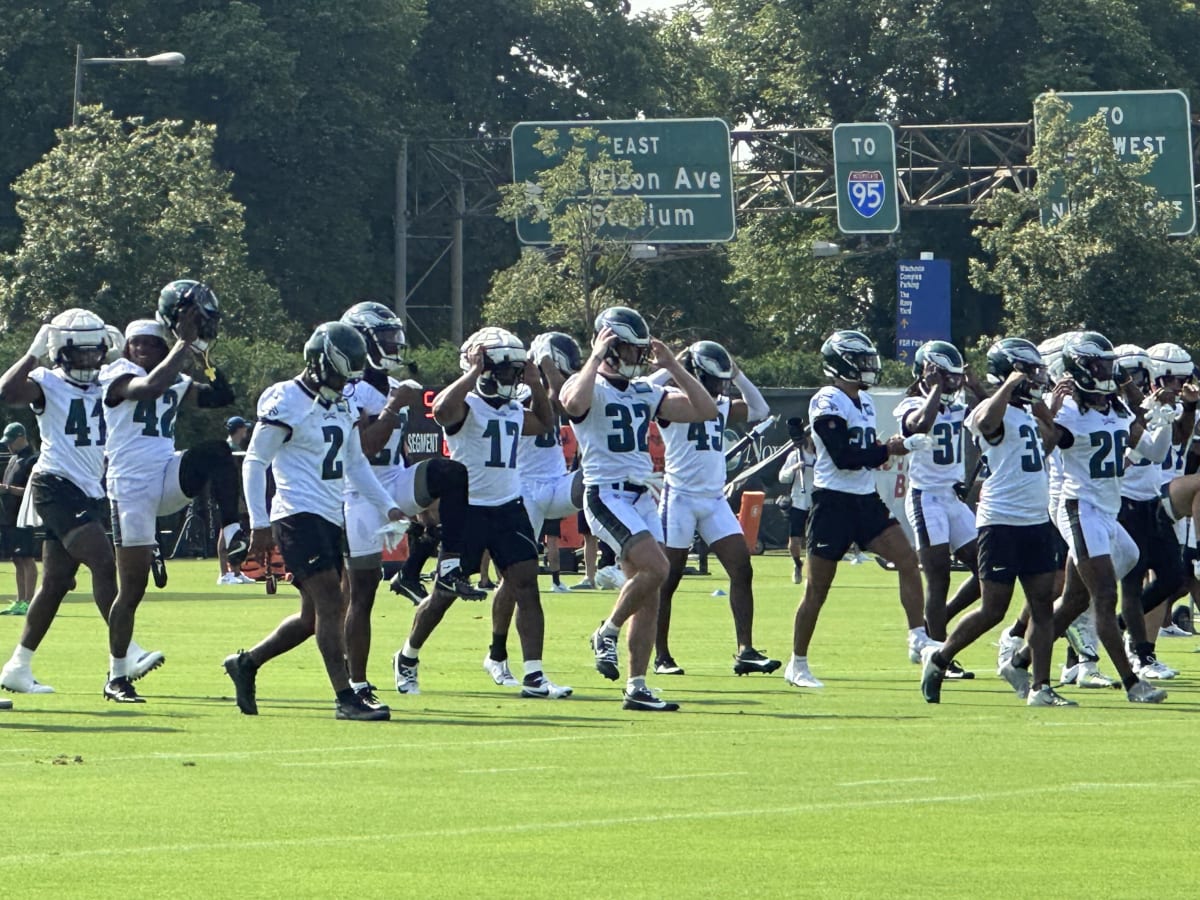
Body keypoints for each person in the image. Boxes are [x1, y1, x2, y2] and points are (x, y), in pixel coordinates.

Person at [224, 322, 404, 720]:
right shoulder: (286, 398)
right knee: (333, 601)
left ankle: (247, 663)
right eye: (340, 375)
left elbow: (355, 463)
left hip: (328, 516)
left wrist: (388, 506)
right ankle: (345, 697)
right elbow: (255, 462)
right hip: (295, 515)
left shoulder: (340, 404)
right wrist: (258, 521)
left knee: (312, 617)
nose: (345, 384)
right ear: (319, 363)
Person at [397, 327, 571, 699]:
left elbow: (544, 422)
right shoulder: (467, 405)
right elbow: (441, 410)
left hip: (509, 509)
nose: (512, 377)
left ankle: (534, 675)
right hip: (468, 513)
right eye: (506, 370)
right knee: (445, 594)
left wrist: (536, 381)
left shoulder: (511, 409)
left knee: (527, 586)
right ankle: (408, 655)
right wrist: (473, 371)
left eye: (514, 370)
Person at [561, 306, 717, 712]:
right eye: (627, 350)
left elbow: (706, 410)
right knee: (658, 568)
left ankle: (637, 685)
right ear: (610, 347)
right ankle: (606, 632)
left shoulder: (647, 390)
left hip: (641, 495)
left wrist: (673, 366)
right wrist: (595, 356)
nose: (636, 358)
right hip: (605, 493)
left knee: (650, 593)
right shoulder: (589, 384)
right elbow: (572, 403)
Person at [0, 310, 161, 695]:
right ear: (61, 351)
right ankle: (125, 654)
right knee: (104, 562)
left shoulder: (109, 379)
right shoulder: (46, 382)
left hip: (89, 488)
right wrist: (32, 354)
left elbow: (145, 388)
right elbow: (6, 392)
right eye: (82, 353)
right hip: (55, 484)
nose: (91, 360)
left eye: (95, 353)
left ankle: (17, 666)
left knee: (55, 583)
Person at [100, 281, 245, 703]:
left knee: (219, 451)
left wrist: (204, 354)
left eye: (151, 344)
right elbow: (145, 389)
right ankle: (117, 675)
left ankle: (232, 531)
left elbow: (223, 396)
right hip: (130, 488)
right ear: (126, 349)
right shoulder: (115, 374)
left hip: (166, 473)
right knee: (132, 590)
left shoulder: (175, 372)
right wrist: (181, 345)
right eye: (137, 345)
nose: (143, 350)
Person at [1003, 332, 1166, 703]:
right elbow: (1043, 450)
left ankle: (1020, 659)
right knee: (1105, 595)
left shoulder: (1118, 408)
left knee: (1078, 598)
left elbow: (1154, 452)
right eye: (1100, 364)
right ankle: (1132, 683)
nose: (1108, 370)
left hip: (1106, 509)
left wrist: (1165, 418)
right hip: (1079, 507)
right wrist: (1050, 413)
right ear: (1081, 368)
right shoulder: (1069, 410)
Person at [338, 301, 478, 703]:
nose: (392, 346)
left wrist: (423, 504)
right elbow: (365, 448)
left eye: (393, 339)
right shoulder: (352, 388)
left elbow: (394, 455)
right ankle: (358, 681)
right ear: (361, 341)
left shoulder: (383, 385)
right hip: (358, 493)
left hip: (391, 480)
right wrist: (395, 405)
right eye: (383, 339)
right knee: (361, 594)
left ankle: (447, 566)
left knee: (450, 473)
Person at [920, 338, 1068, 705]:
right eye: (1028, 370)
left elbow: (1050, 444)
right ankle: (939, 658)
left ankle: (1041, 686)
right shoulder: (991, 408)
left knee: (1041, 606)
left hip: (1035, 520)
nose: (1035, 376)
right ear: (1009, 372)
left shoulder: (1029, 412)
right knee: (993, 608)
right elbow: (986, 422)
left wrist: (1046, 407)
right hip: (1000, 522)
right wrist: (1010, 385)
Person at [784, 330, 931, 689]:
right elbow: (844, 456)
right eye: (860, 361)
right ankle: (797, 663)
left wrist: (889, 445)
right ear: (840, 363)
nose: (868, 367)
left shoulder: (863, 402)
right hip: (832, 502)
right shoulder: (827, 399)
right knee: (818, 589)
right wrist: (892, 450)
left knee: (908, 559)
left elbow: (864, 449)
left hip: (866, 500)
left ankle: (918, 637)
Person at [650, 340, 780, 676]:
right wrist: (671, 365)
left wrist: (737, 373)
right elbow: (645, 390)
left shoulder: (721, 405)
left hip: (713, 499)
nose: (720, 385)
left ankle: (745, 650)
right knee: (668, 578)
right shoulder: (670, 402)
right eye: (715, 378)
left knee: (742, 568)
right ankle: (661, 654)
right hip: (678, 497)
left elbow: (760, 410)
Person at [894, 340, 984, 677]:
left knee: (988, 568)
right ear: (926, 374)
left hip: (951, 497)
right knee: (938, 577)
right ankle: (938, 653)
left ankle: (938, 622)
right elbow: (918, 425)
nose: (951, 383)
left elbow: (995, 419)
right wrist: (932, 390)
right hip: (925, 496)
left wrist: (977, 386)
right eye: (944, 376)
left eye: (953, 377)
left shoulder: (958, 404)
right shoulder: (912, 402)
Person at [520, 332, 586, 594]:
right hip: (525, 488)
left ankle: (618, 556)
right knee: (519, 574)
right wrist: (546, 363)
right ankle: (499, 633)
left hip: (558, 483)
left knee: (602, 476)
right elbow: (559, 400)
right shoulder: (523, 389)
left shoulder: (548, 386)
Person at [0, 422, 38, 616]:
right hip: (9, 517)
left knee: (26, 558)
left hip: (23, 516)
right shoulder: (14, 458)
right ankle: (20, 599)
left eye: (11, 441)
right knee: (16, 559)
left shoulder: (32, 459)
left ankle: (29, 601)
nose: (8, 446)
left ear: (21, 438)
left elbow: (32, 491)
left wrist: (5, 489)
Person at [216, 415, 255, 585]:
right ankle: (225, 574)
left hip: (235, 494)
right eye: (244, 428)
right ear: (239, 429)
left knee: (234, 534)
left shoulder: (236, 447)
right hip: (226, 495)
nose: (247, 431)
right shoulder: (227, 448)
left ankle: (236, 573)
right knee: (227, 533)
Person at [778, 417, 815, 585]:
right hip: (799, 501)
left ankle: (813, 571)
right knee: (795, 541)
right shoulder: (795, 455)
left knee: (815, 539)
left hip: (817, 501)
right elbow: (782, 477)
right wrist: (794, 468)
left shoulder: (823, 456)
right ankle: (797, 564)